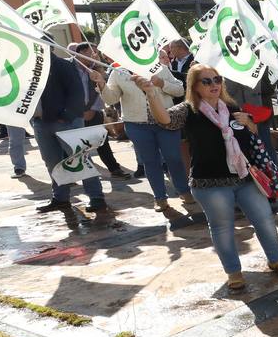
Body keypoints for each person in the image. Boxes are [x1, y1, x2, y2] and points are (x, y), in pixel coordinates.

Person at [141, 66, 278, 290]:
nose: (214, 84)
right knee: (223, 227)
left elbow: (250, 138)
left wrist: (249, 123)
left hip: (244, 177)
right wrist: (151, 93)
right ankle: (234, 272)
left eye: (217, 79)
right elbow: (165, 119)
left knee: (264, 219)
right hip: (209, 182)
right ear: (194, 86)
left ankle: (276, 260)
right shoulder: (189, 110)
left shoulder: (230, 107)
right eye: (206, 81)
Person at [101, 63, 194, 215]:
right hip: (137, 124)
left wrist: (161, 83)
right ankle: (160, 198)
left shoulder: (158, 66)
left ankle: (184, 191)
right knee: (150, 161)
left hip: (166, 120)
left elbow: (179, 90)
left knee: (174, 158)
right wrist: (101, 84)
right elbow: (111, 99)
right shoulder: (118, 72)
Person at [30, 52, 109, 215]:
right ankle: (60, 198)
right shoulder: (28, 66)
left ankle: (96, 198)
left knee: (80, 159)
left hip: (66, 122)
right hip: (40, 122)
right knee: (52, 162)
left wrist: (66, 116)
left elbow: (77, 93)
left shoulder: (63, 65)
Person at [70, 43, 130, 178]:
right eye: (91, 52)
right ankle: (78, 174)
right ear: (82, 53)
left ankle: (114, 169)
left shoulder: (95, 68)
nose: (94, 55)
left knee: (102, 142)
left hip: (94, 112)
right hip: (74, 115)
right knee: (77, 146)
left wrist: (99, 67)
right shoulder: (68, 67)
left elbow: (105, 88)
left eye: (95, 52)